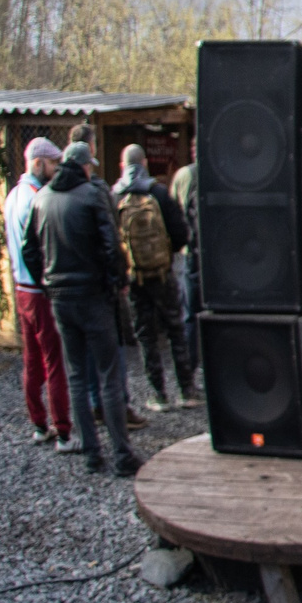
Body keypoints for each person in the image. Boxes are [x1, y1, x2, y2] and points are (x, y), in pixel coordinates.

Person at [22, 140, 140, 476]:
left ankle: (92, 454)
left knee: (75, 375)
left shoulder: (40, 199)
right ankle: (121, 455)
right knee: (109, 375)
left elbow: (29, 250)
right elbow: (110, 246)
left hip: (60, 299)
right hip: (93, 297)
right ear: (83, 166)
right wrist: (116, 283)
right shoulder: (91, 196)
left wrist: (46, 283)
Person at [114, 144, 197, 410]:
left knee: (146, 335)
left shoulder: (114, 196)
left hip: (135, 277)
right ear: (146, 163)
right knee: (175, 328)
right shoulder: (159, 193)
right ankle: (186, 390)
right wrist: (166, 253)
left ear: (122, 166)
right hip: (163, 274)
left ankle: (158, 394)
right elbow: (182, 233)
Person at [2, 137, 70, 448]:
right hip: (40, 290)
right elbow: (41, 247)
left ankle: (39, 422)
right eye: (53, 163)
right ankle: (63, 428)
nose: (56, 169)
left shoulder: (12, 195)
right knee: (54, 360)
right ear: (39, 163)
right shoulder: (37, 197)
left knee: (31, 359)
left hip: (21, 289)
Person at [169, 143, 201, 355]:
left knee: (189, 312)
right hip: (218, 253)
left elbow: (173, 209)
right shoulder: (222, 173)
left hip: (189, 252)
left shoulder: (183, 175)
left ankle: (189, 366)